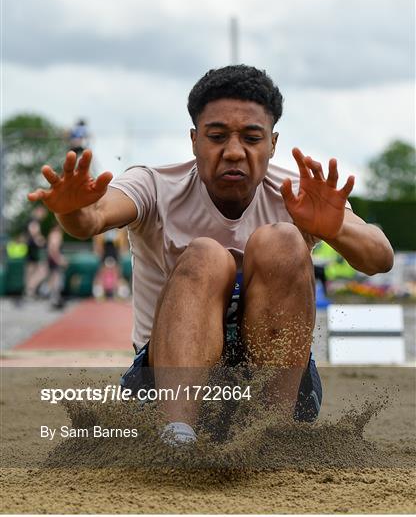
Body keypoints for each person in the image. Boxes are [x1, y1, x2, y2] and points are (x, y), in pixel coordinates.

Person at [28, 65, 394, 444]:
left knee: (283, 241)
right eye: (217, 136)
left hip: (275, 388)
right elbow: (93, 218)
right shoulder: (154, 184)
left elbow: (379, 258)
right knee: (206, 254)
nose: (234, 152)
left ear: (273, 143)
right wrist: (71, 210)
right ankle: (176, 436)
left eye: (252, 138)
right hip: (166, 386)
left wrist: (336, 228)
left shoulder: (299, 194)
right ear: (193, 140)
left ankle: (276, 437)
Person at [25, 205, 47, 298]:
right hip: (34, 250)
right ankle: (30, 289)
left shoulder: (32, 221)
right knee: (42, 271)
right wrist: (42, 241)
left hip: (31, 249)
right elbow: (35, 234)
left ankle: (29, 292)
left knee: (31, 271)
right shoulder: (34, 221)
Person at [46, 224, 67, 308]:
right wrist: (59, 260)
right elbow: (53, 248)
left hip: (52, 258)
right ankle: (54, 297)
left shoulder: (52, 234)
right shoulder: (56, 235)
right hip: (54, 259)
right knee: (56, 278)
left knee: (53, 277)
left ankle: (53, 297)